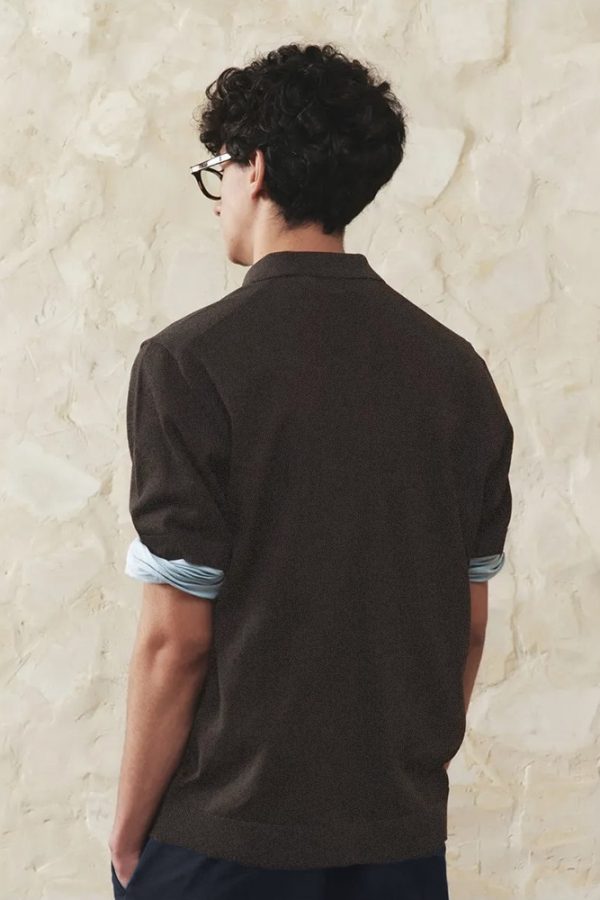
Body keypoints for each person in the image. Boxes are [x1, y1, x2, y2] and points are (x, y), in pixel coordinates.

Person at [108, 41, 513, 900]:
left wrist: (127, 834)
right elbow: (469, 625)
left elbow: (175, 640)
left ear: (253, 168)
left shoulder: (189, 363)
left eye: (219, 171)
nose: (220, 196)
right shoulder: (456, 373)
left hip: (224, 844)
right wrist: (404, 789)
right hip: (397, 841)